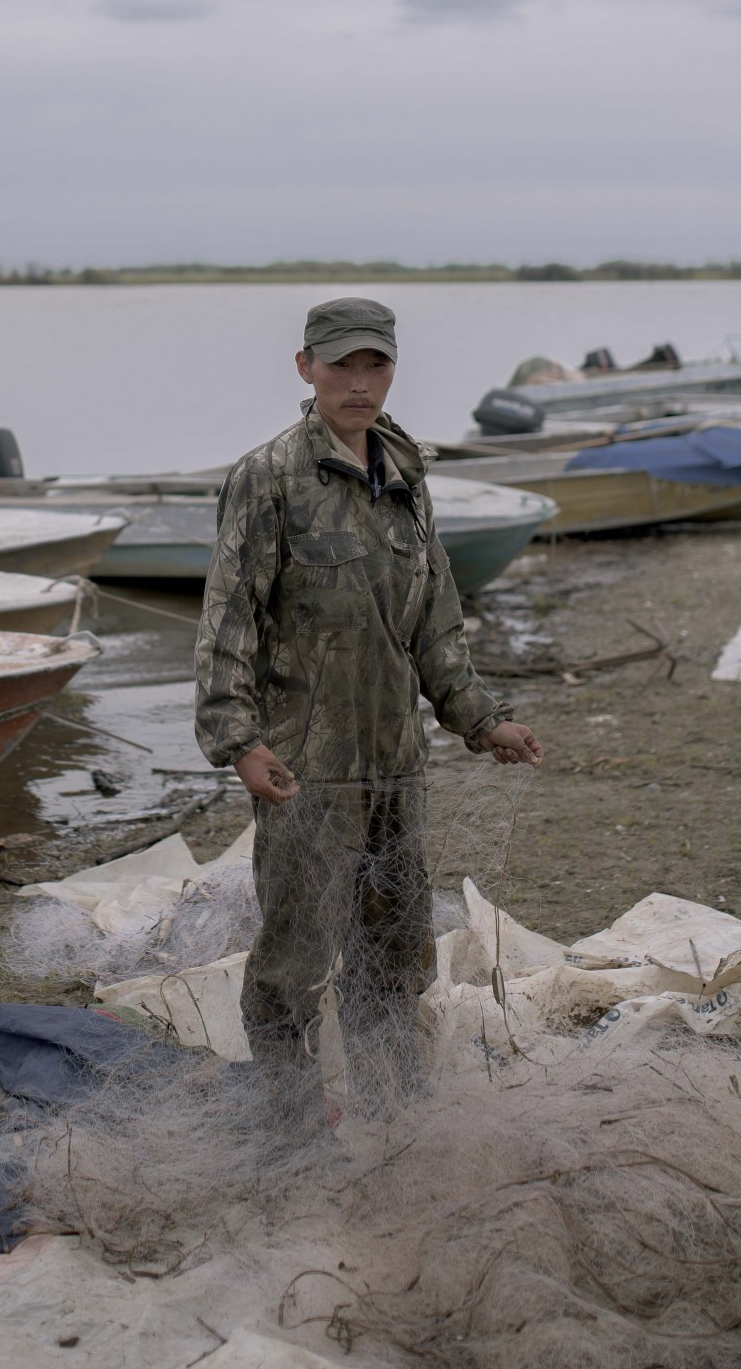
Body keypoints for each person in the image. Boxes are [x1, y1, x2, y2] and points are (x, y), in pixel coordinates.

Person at [194, 297, 543, 1085]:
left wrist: (483, 719)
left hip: (395, 764)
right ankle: (286, 1126)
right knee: (294, 958)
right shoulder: (267, 478)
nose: (359, 382)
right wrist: (239, 742)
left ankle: (392, 1112)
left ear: (392, 367)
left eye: (374, 364)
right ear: (305, 366)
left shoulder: (407, 475)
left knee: (393, 949)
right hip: (305, 772)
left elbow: (434, 622)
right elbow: (227, 623)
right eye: (341, 364)